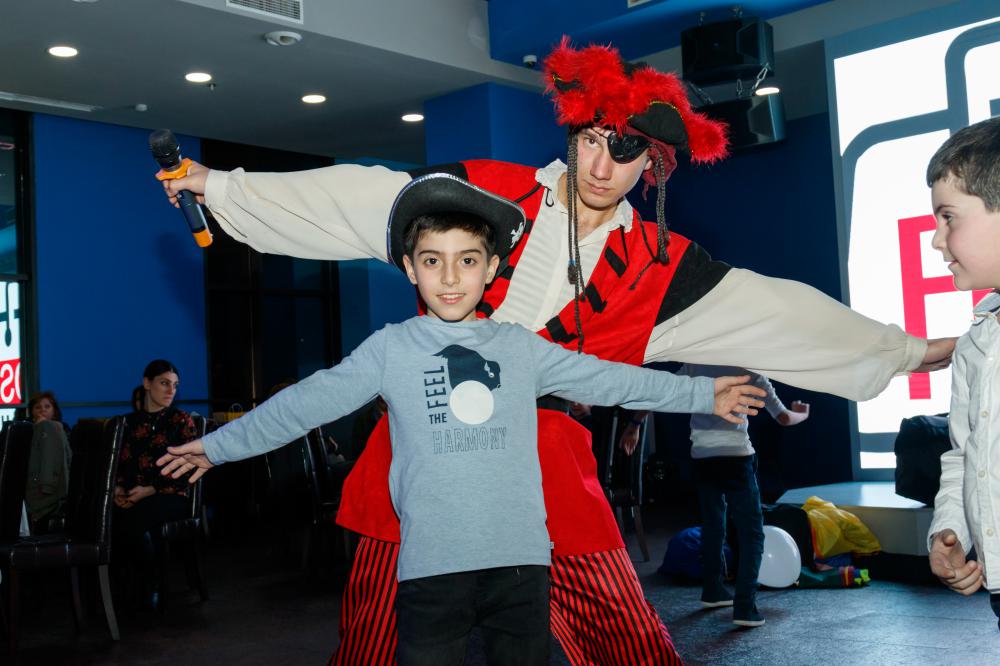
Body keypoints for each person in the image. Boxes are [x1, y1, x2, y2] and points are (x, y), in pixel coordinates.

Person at [160, 41, 954, 664]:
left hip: (545, 469)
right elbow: (362, 198)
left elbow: (777, 311)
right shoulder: (481, 191)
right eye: (591, 140)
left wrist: (911, 351)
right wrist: (220, 187)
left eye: (626, 152)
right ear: (572, 134)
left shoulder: (664, 269)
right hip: (424, 454)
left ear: (655, 164)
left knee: (626, 640)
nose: (603, 166)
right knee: (375, 639)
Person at [159, 175, 767, 664]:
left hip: (521, 565)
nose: (450, 278)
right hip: (431, 568)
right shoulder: (390, 348)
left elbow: (613, 380)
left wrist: (704, 394)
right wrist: (218, 447)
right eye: (433, 260)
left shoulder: (521, 349)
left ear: (491, 267)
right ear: (409, 267)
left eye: (467, 260)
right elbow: (306, 402)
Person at [925, 117, 1000, 629]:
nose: (937, 240)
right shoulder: (976, 343)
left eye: (948, 217)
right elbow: (963, 456)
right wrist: (948, 529)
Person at [677, 363, 809, 627]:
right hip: (736, 459)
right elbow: (783, 418)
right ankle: (745, 607)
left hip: (702, 458)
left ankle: (713, 590)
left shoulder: (694, 364)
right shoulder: (751, 371)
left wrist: (635, 424)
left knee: (713, 526)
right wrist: (803, 414)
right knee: (751, 533)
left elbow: (662, 390)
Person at [113, 359, 198, 606]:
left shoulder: (180, 420)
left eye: (175, 385)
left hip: (171, 495)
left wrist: (149, 490)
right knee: (109, 515)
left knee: (135, 517)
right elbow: (116, 465)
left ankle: (148, 583)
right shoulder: (127, 423)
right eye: (164, 383)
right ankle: (123, 585)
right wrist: (117, 489)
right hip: (132, 494)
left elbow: (188, 470)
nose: (171, 390)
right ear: (147, 383)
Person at [24, 391, 72, 533]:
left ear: (54, 411)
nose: (42, 410)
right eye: (38, 407)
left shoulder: (62, 429)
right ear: (32, 412)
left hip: (52, 491)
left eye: (47, 406)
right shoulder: (25, 430)